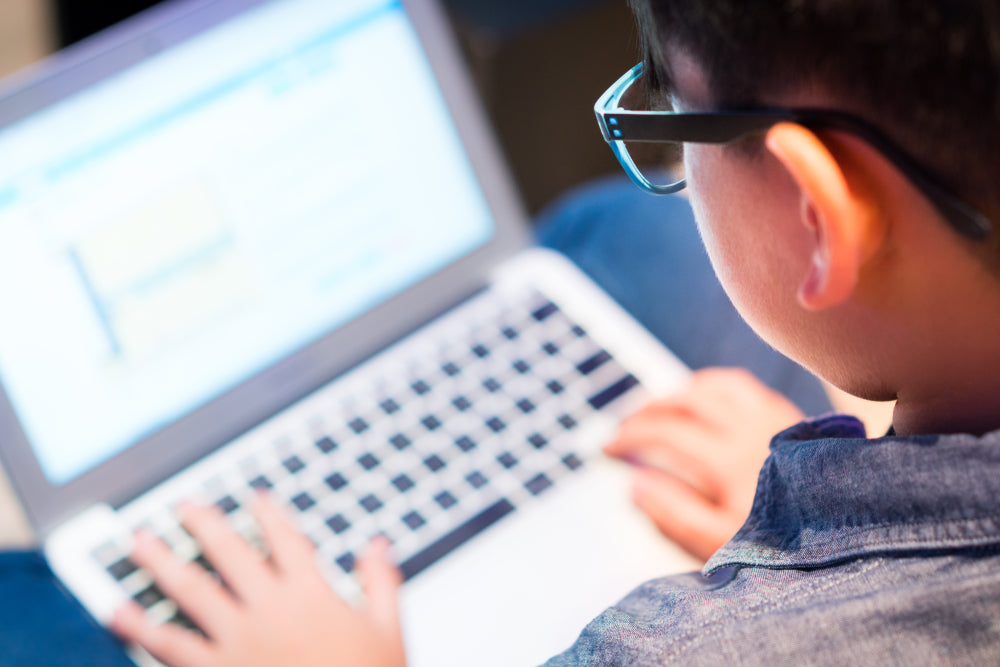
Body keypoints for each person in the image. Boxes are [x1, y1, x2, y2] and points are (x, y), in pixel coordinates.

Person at [100, 0, 1000, 663]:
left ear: (816, 214)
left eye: (670, 108)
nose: (673, 161)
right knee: (614, 232)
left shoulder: (674, 649)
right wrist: (813, 538)